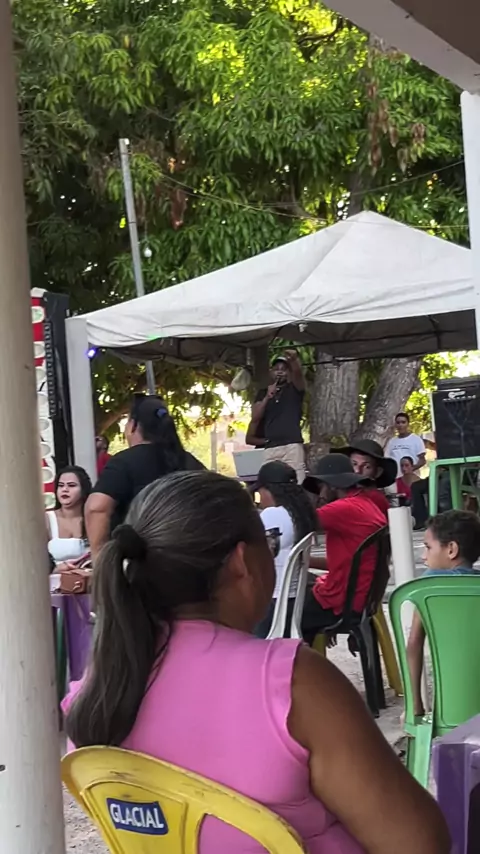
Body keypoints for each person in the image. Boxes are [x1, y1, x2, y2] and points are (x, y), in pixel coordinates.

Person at [64, 470, 448, 854]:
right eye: (269, 543)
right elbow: (419, 843)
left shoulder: (97, 693)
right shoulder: (293, 683)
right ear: (241, 561)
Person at [85, 394, 204, 559]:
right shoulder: (191, 462)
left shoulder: (123, 462)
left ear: (133, 425)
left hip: (139, 562)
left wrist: (99, 558)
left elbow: (96, 508)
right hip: (189, 560)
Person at [302, 455, 386, 645]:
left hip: (343, 601)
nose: (319, 494)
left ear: (330, 486)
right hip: (360, 595)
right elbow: (348, 562)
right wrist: (307, 561)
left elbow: (298, 522)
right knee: (304, 582)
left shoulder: (342, 509)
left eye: (320, 486)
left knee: (280, 609)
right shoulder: (365, 504)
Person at [407, 510, 480, 716]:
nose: (424, 556)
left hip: (449, 712)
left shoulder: (429, 587)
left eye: (428, 547)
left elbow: (414, 644)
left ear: (451, 549)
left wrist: (415, 704)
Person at [253, 461, 318, 638]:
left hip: (271, 604)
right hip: (294, 602)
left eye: (259, 492)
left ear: (268, 490)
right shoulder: (301, 515)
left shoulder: (272, 515)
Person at [248, 351, 306, 483]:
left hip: (292, 445)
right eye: (276, 369)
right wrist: (267, 398)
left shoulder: (294, 389)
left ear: (289, 373)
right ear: (271, 372)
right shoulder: (263, 393)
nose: (280, 372)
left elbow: (298, 375)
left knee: (296, 482)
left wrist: (294, 360)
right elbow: (255, 417)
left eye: (284, 369)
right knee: (270, 483)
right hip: (271, 447)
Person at [336, 439, 397, 518]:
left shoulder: (375, 498)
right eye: (354, 464)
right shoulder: (346, 492)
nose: (358, 471)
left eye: (366, 467)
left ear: (378, 472)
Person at [47, 465, 91, 570]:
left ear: (83, 490)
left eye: (71, 485)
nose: (65, 489)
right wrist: (56, 569)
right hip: (55, 577)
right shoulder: (47, 519)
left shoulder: (92, 519)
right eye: (60, 485)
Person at [384, 412, 426, 477]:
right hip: (395, 479)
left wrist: (410, 469)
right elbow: (387, 460)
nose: (400, 425)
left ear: (408, 424)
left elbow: (422, 460)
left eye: (403, 422)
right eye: (398, 423)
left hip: (411, 479)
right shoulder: (391, 441)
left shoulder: (416, 439)